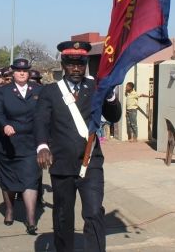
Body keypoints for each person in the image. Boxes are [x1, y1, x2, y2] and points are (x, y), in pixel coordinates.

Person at [36, 41, 123, 252]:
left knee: (93, 212)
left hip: (90, 162)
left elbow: (114, 116)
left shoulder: (95, 87)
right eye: (71, 64)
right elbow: (40, 122)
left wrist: (110, 94)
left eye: (81, 64)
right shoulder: (51, 91)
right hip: (62, 163)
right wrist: (42, 146)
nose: (76, 69)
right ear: (63, 65)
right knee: (64, 215)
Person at [0, 58, 42, 234]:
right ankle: (10, 210)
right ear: (13, 73)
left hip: (29, 144)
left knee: (30, 179)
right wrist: (4, 124)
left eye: (25, 71)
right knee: (9, 182)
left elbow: (45, 113)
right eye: (19, 71)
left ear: (28, 73)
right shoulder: (3, 91)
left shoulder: (38, 90)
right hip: (7, 144)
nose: (22, 73)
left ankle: (31, 218)